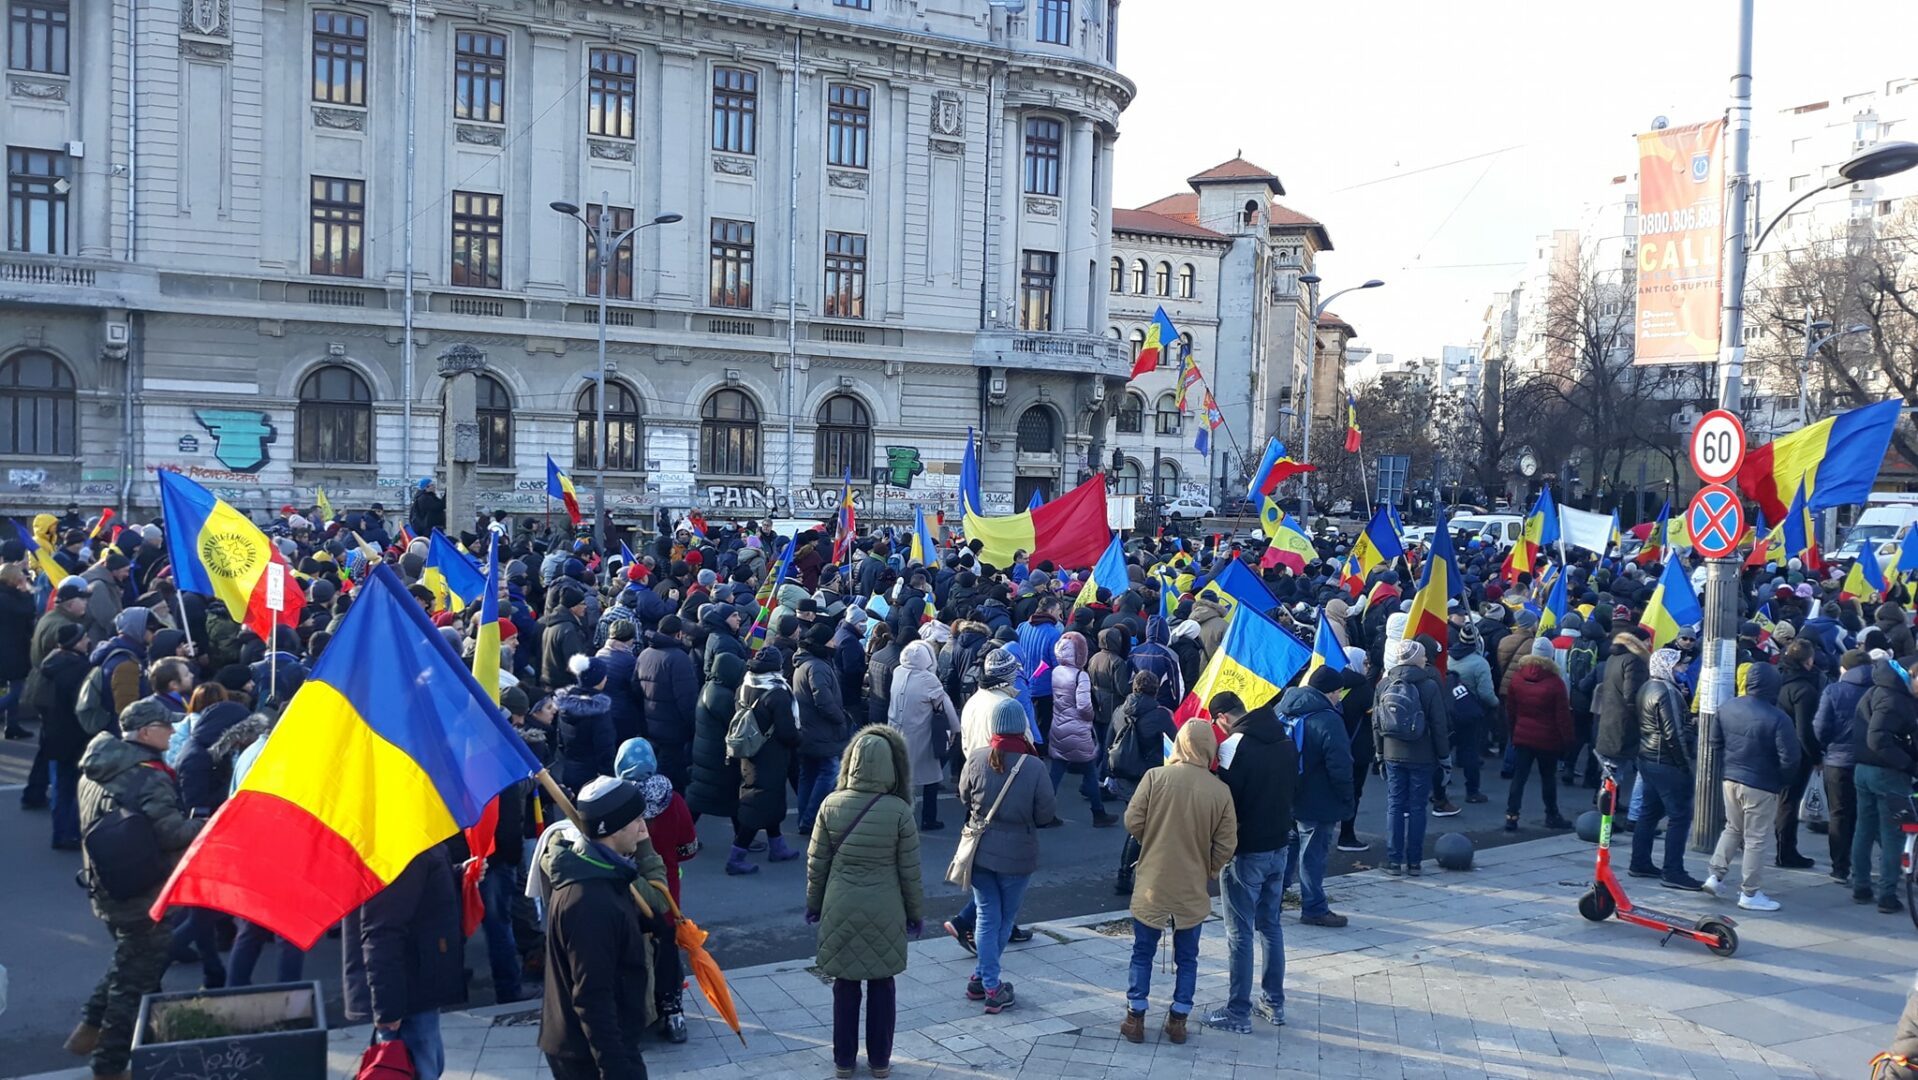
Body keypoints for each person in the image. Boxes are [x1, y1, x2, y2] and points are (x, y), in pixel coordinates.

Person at [69, 697, 205, 1080]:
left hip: (106, 886)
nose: (173, 731)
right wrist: (208, 824)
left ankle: (88, 1028)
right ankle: (108, 1067)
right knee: (134, 985)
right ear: (146, 733)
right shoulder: (150, 776)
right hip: (144, 894)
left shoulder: (96, 768)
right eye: (166, 726)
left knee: (127, 962)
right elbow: (171, 832)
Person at [806, 724, 925, 1080]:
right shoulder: (900, 811)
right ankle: (880, 1062)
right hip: (886, 907)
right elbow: (910, 872)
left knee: (844, 985)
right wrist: (915, 914)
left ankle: (844, 1062)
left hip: (839, 905)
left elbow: (816, 865)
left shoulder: (831, 804)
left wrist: (814, 904)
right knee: (882, 984)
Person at [536, 777, 673, 1080]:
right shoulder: (589, 902)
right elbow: (592, 996)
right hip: (591, 1054)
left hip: (603, 1043)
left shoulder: (604, 873)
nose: (644, 829)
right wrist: (615, 1069)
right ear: (612, 828)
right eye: (637, 820)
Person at [1120, 720, 1237, 1046]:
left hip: (1153, 881)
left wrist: (1152, 839)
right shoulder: (1219, 791)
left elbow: (1132, 820)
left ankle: (1135, 1017)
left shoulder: (1155, 777)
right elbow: (1227, 844)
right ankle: (1178, 1020)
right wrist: (1210, 869)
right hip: (1191, 884)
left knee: (1142, 952)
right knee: (1188, 957)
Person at [1199, 691, 1295, 1034]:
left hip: (1245, 851)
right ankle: (1274, 1002)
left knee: (1239, 932)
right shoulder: (1284, 738)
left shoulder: (1232, 747)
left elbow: (1225, 802)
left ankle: (1237, 1010)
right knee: (1270, 926)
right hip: (1280, 844)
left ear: (1222, 717)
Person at [956, 697, 1056, 1014]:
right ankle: (991, 985)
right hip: (1018, 854)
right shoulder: (1035, 766)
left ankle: (981, 978)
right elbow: (1045, 814)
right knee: (1003, 919)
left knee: (987, 915)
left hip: (980, 850)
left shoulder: (977, 757)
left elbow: (963, 795)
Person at [342, 842, 465, 1080]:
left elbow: (420, 891)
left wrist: (457, 874)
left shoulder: (415, 841)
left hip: (416, 987)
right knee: (414, 1069)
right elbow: (381, 934)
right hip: (407, 993)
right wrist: (387, 1009)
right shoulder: (399, 849)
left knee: (426, 1066)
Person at [1702, 662, 1802, 911]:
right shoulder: (1779, 718)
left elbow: (1715, 743)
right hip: (1762, 783)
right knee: (1756, 838)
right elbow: (1790, 758)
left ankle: (1715, 876)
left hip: (1731, 777)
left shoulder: (1727, 707)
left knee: (1732, 828)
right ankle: (1749, 892)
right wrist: (1781, 781)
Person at [1283, 666, 1357, 928]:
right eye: (1338, 692)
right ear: (1330, 692)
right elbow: (1340, 765)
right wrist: (1347, 798)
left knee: (1288, 847)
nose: (1339, 697)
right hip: (1319, 798)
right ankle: (1314, 908)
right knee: (1312, 854)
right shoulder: (1328, 719)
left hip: (1288, 793)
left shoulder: (1284, 707)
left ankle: (1274, 896)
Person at [1627, 648, 1706, 890]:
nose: (1682, 669)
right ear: (1666, 666)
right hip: (1666, 761)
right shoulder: (1667, 692)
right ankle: (1673, 870)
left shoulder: (1647, 687)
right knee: (1680, 816)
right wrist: (1684, 764)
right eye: (1678, 665)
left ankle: (1639, 862)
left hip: (1648, 757)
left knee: (1649, 813)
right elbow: (1674, 733)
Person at [1375, 639, 1451, 876]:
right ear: (1416, 659)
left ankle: (1394, 860)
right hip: (1422, 753)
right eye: (1423, 656)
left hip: (1391, 752)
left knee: (1395, 805)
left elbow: (1376, 723)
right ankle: (1415, 862)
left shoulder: (1384, 683)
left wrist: (1379, 752)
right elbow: (1439, 724)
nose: (1426, 658)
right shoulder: (1428, 685)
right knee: (1418, 807)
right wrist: (1444, 757)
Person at [1851, 655, 1918, 914]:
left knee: (1864, 829)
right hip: (1887, 773)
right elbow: (1877, 738)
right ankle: (1887, 894)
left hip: (1863, 770)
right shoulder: (1895, 700)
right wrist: (1908, 764)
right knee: (1893, 835)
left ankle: (1861, 886)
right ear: (1910, 675)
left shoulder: (1877, 689)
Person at [731, 647, 804, 873]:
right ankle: (736, 857)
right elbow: (787, 732)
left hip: (750, 751)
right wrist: (801, 737)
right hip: (771, 755)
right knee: (760, 803)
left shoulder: (746, 685)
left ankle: (777, 846)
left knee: (769, 800)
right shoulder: (777, 693)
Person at [1813, 648, 1873, 884]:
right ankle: (1862, 868)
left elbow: (1819, 728)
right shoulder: (1876, 689)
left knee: (1839, 814)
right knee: (1864, 815)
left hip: (1837, 761)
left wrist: (1826, 747)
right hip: (1868, 760)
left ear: (1843, 668)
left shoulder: (1834, 690)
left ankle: (1840, 867)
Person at [887, 638, 960, 831]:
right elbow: (943, 706)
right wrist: (956, 729)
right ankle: (928, 818)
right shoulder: (928, 679)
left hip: (896, 732)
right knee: (931, 778)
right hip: (922, 735)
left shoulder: (898, 672)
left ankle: (898, 815)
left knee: (901, 776)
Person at [1046, 630, 1116, 828]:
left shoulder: (1056, 671)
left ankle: (1044, 811)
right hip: (1078, 730)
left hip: (1058, 725)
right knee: (1090, 772)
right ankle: (1098, 813)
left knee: (1056, 771)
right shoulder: (1080, 676)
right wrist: (1091, 717)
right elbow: (1084, 706)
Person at [1503, 642, 1575, 831]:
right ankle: (1552, 815)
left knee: (1519, 778)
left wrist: (1514, 732)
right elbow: (1563, 717)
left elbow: (1511, 710)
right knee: (1548, 779)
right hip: (1548, 739)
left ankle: (1511, 815)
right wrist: (1567, 741)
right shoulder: (1555, 682)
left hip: (1522, 735)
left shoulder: (1518, 678)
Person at [793, 621, 855, 833]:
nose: (835, 643)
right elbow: (824, 701)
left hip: (809, 731)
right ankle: (811, 819)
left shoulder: (806, 663)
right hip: (822, 732)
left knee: (808, 775)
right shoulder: (817, 667)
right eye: (831, 639)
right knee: (829, 772)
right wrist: (841, 718)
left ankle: (804, 818)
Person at [1773, 639, 1825, 870]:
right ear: (1808, 661)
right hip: (1795, 754)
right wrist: (1816, 757)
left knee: (1780, 801)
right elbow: (1805, 731)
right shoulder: (1805, 689)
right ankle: (1786, 852)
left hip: (1775, 747)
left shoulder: (1779, 678)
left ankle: (1782, 848)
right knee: (1788, 803)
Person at [633, 615, 699, 791]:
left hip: (651, 726)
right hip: (674, 730)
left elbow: (635, 691)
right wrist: (694, 727)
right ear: (678, 634)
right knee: (672, 778)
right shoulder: (679, 658)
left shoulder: (644, 655)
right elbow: (687, 700)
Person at [1593, 632, 1651, 811]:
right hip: (1624, 723)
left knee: (1610, 772)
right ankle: (1607, 815)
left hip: (1609, 719)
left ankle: (1608, 807)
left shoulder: (1613, 658)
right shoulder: (1634, 662)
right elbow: (1632, 696)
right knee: (1615, 773)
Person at [1445, 624, 1498, 805]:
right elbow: (1486, 693)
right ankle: (1472, 791)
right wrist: (1496, 705)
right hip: (1470, 712)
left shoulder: (1447, 657)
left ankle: (1439, 791)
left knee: (1443, 751)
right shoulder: (1480, 663)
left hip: (1449, 710)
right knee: (1470, 753)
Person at [553, 654, 615, 793]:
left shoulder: (564, 705)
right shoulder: (599, 712)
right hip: (594, 778)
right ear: (597, 680)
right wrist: (609, 776)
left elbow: (560, 741)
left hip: (569, 771)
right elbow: (605, 747)